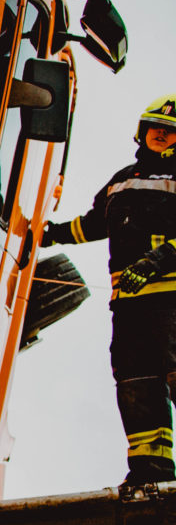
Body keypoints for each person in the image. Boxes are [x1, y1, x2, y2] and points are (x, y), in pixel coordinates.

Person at [43, 94, 176, 492]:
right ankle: (153, 473)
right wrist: (52, 235)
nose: (161, 134)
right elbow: (94, 224)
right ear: (142, 130)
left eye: (170, 131)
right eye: (156, 127)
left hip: (170, 305)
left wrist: (152, 264)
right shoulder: (122, 180)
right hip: (129, 309)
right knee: (136, 384)